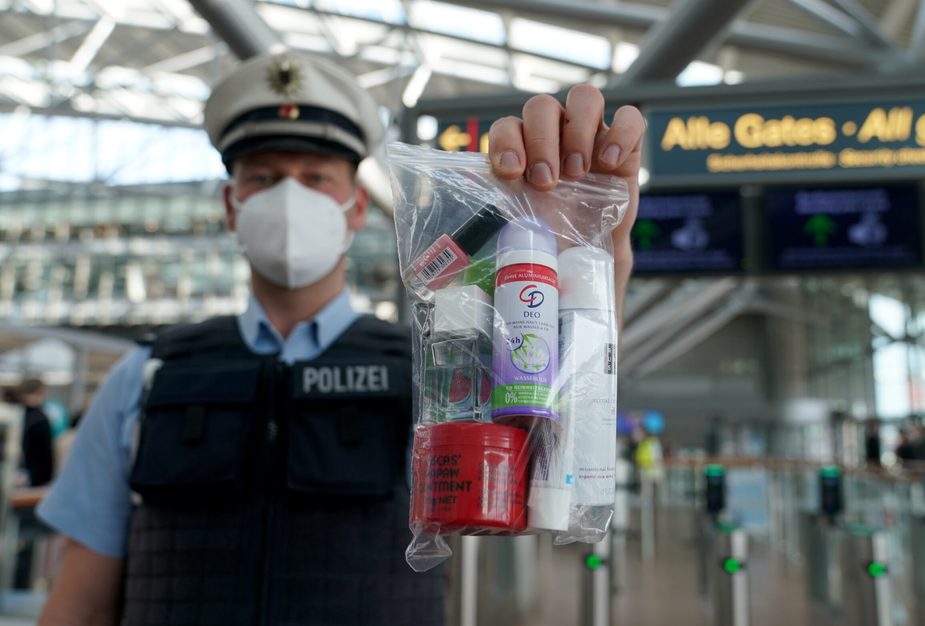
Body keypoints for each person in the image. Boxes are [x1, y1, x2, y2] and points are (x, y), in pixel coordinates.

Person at [36, 50, 642, 626]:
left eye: (316, 177)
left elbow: (555, 424)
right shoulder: (146, 378)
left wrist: (581, 257)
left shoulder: (440, 371)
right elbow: (79, 607)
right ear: (230, 204)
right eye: (265, 177)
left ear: (356, 207)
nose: (290, 197)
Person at [16, 378, 55, 488]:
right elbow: (46, 453)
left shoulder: (18, 415)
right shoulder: (40, 419)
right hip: (35, 477)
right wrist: (47, 478)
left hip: (17, 473)